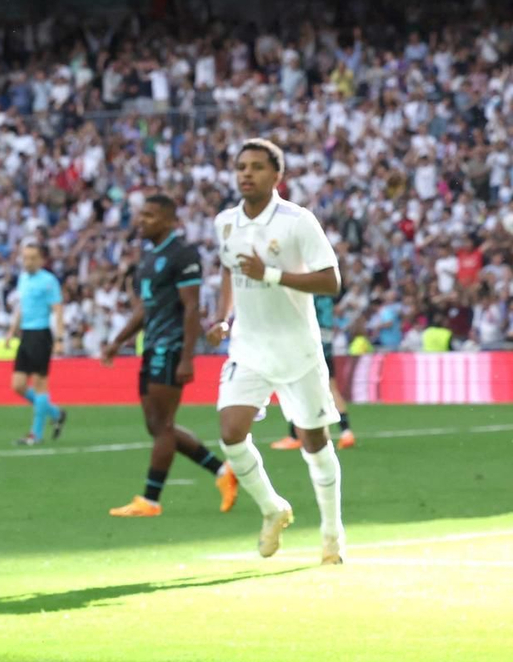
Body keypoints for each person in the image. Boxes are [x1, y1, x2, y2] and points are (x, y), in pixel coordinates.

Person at [204, 139, 345, 564]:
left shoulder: (298, 221)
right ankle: (272, 508)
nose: (247, 174)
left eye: (257, 167)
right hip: (247, 347)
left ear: (275, 176)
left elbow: (330, 281)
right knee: (231, 433)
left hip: (297, 351)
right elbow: (231, 272)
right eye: (241, 166)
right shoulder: (224, 222)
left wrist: (271, 274)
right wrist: (225, 318)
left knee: (314, 442)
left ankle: (331, 534)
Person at [99, 195, 239, 517]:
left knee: (162, 426)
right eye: (141, 214)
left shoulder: (182, 254)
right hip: (151, 347)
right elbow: (145, 309)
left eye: (149, 215)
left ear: (168, 220)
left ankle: (150, 500)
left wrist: (187, 357)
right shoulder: (148, 259)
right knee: (157, 425)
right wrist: (117, 341)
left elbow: (191, 307)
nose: (142, 220)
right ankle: (223, 472)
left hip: (171, 348)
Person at [272, 250, 354, 450]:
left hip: (308, 339)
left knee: (296, 384)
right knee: (331, 386)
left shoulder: (308, 289)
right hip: (326, 339)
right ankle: (346, 431)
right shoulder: (327, 288)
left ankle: (294, 435)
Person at [9, 242, 68, 446]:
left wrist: (59, 339)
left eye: (32, 258)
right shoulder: (23, 279)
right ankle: (55, 412)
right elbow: (22, 307)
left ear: (41, 260)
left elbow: (58, 310)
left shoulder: (49, 281)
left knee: (41, 385)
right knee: (17, 385)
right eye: (25, 257)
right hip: (26, 334)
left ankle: (36, 434)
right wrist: (11, 331)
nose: (28, 262)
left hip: (41, 335)